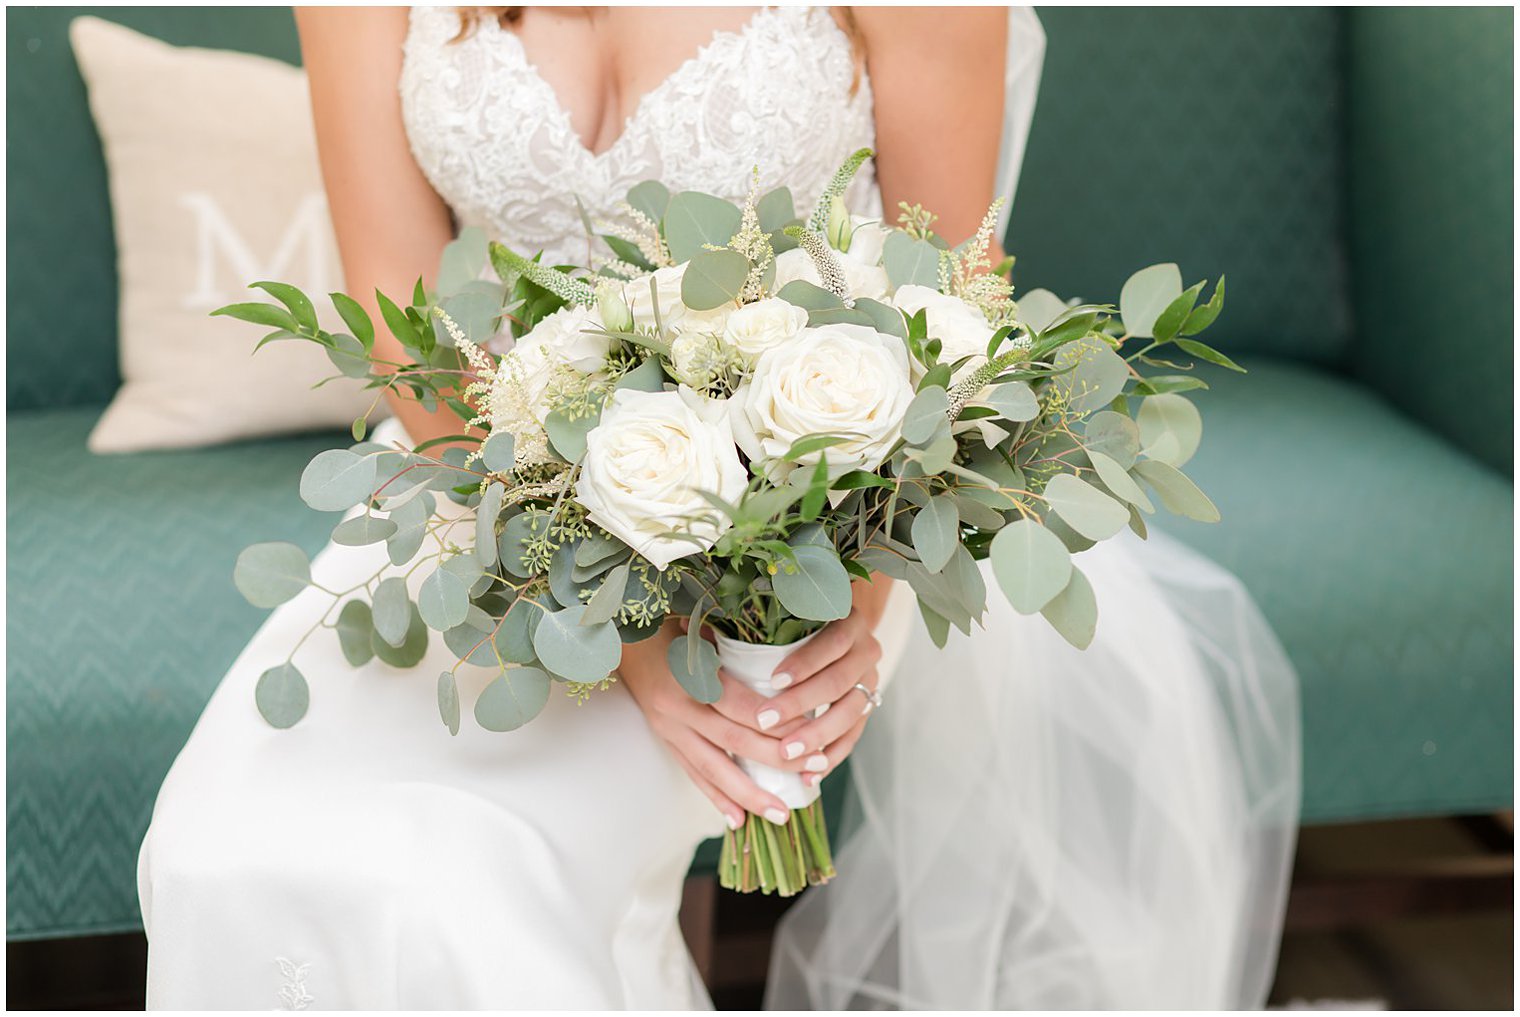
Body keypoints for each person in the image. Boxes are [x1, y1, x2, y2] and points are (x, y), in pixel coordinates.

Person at [137, 6, 1299, 1009]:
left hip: (808, 519)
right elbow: (400, 323)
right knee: (217, 845)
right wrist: (594, 615)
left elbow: (952, 297)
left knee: (462, 881)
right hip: (485, 494)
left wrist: (842, 570)